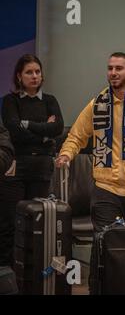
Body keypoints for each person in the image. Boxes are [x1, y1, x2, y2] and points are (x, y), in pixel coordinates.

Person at [55, 52, 125, 294]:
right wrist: (66, 154)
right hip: (105, 189)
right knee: (102, 244)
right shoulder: (97, 104)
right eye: (110, 68)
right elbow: (77, 136)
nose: (113, 72)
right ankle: (99, 289)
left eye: (119, 68)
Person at [0, 54, 64, 267]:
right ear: (19, 76)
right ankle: (9, 274)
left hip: (41, 167)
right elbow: (14, 132)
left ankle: (34, 273)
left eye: (37, 71)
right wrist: (44, 133)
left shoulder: (50, 100)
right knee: (11, 223)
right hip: (16, 167)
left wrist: (26, 124)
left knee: (38, 220)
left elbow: (57, 129)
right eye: (29, 72)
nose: (35, 76)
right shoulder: (11, 101)